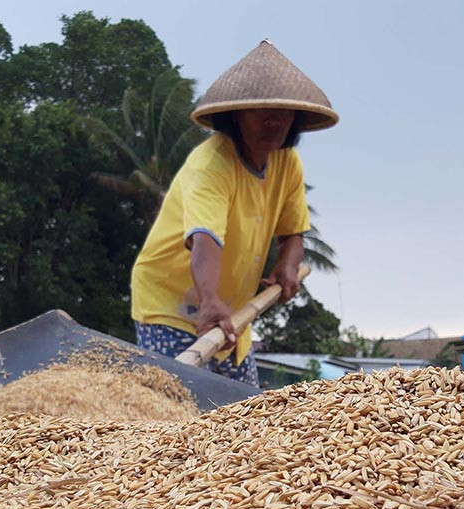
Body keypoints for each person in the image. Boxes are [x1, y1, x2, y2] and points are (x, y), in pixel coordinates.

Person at [130, 39, 338, 386]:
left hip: (232, 314)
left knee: (244, 410)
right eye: (260, 111)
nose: (273, 121)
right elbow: (206, 239)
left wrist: (288, 265)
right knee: (182, 406)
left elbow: (293, 231)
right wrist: (209, 300)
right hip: (171, 307)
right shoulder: (212, 165)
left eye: (283, 113)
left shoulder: (288, 163)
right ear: (236, 116)